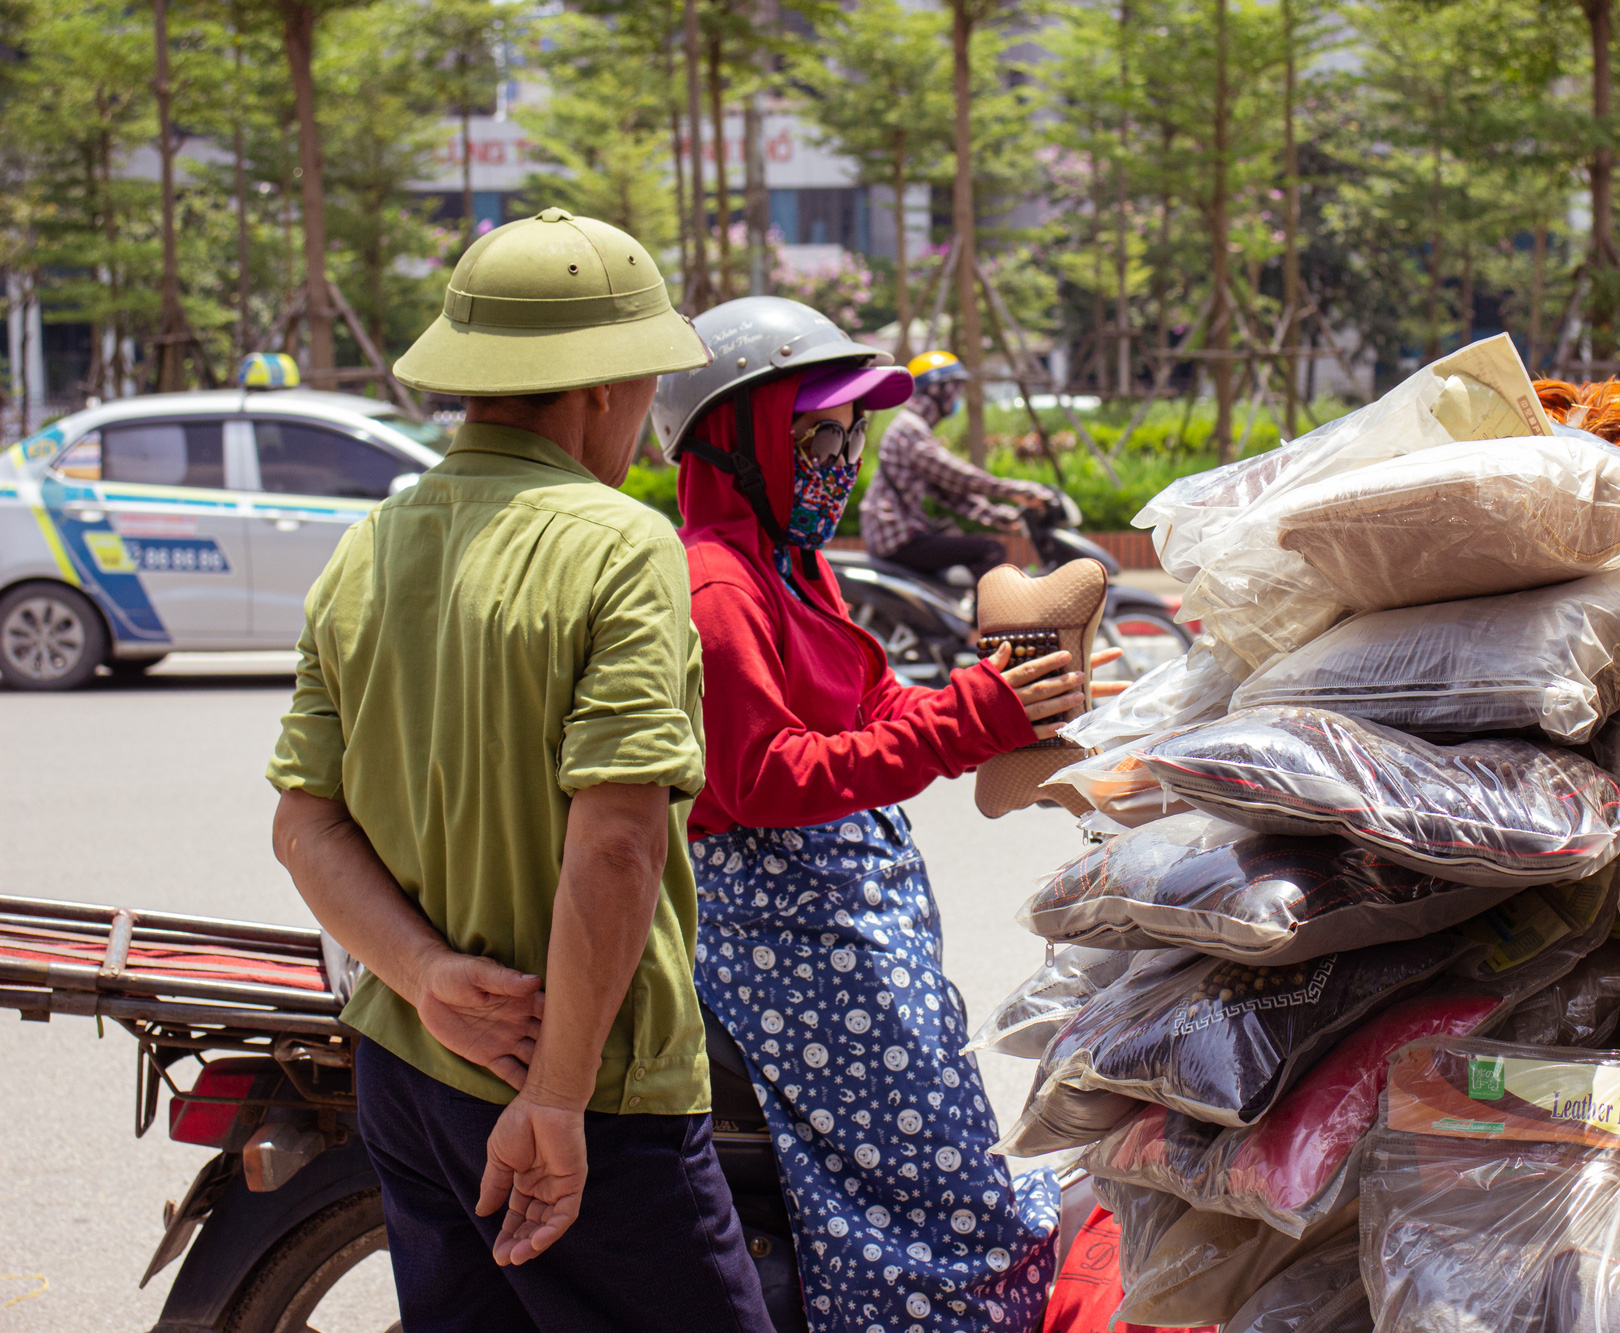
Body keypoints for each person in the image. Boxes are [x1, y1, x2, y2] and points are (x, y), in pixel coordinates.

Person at [266, 208, 774, 1333]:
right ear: (599, 385)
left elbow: (304, 829)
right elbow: (617, 841)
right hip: (588, 1091)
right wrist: (551, 1095)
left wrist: (424, 973)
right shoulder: (621, 544)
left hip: (410, 1068)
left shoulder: (367, 547)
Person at [653, 297, 1123, 1333]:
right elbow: (764, 777)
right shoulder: (714, 587)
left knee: (949, 1131)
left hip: (844, 908)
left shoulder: (794, 563)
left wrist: (991, 705)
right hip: (787, 929)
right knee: (939, 1187)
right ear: (735, 444)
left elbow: (869, 709)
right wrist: (965, 723)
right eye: (817, 435)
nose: (842, 457)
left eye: (849, 434)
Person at [860, 349, 1055, 582]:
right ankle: (985, 620)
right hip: (896, 537)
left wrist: (997, 516)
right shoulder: (909, 430)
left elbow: (949, 493)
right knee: (990, 551)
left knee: (962, 541)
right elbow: (959, 477)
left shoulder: (914, 428)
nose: (957, 398)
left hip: (900, 534)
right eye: (955, 389)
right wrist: (1020, 490)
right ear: (936, 389)